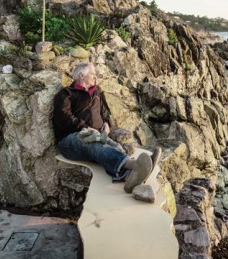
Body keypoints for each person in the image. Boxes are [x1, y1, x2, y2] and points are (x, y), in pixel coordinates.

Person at [53, 62, 159, 193]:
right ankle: (135, 164)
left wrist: (106, 124)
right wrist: (85, 127)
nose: (95, 76)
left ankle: (129, 178)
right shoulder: (66, 94)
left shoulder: (95, 93)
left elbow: (103, 114)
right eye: (93, 73)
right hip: (70, 140)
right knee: (95, 146)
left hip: (97, 135)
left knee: (115, 146)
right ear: (81, 75)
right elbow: (63, 117)